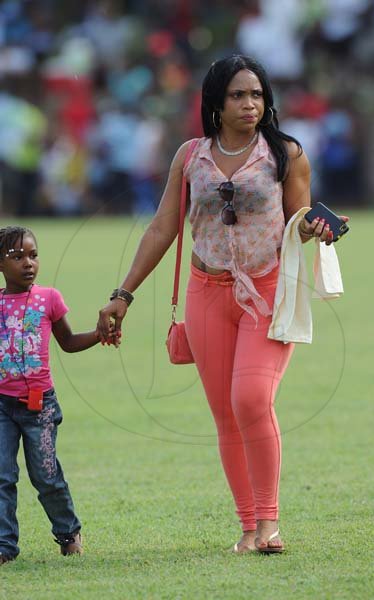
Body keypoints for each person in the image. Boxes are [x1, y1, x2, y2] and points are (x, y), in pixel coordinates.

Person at [97, 55, 348, 554]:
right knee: (225, 415)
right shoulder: (191, 156)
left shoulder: (286, 154)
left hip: (268, 291)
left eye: (256, 94)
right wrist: (123, 294)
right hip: (205, 293)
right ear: (215, 102)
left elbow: (299, 215)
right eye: (238, 95)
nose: (250, 104)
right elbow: (163, 227)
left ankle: (271, 523)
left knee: (251, 399)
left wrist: (314, 226)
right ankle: (248, 527)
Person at [0, 226, 118, 565]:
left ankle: (68, 534)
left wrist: (99, 335)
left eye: (33, 255)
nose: (28, 263)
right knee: (2, 475)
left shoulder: (48, 298)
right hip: (2, 406)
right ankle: (4, 546)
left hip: (40, 407)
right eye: (17, 256)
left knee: (46, 474)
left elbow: (67, 343)